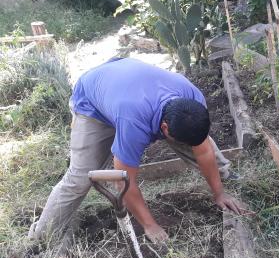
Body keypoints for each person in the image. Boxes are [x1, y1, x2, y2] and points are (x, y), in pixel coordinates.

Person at [28, 57, 248, 244]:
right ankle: (41, 237)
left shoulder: (192, 101)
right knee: (79, 177)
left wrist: (219, 193)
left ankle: (227, 184)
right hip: (92, 101)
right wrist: (149, 225)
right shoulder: (133, 121)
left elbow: (204, 151)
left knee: (199, 141)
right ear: (164, 128)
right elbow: (123, 181)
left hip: (125, 82)